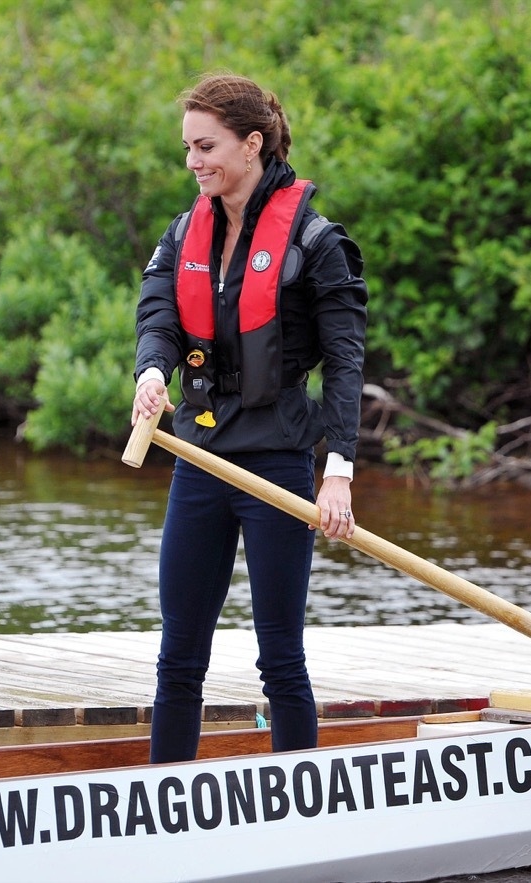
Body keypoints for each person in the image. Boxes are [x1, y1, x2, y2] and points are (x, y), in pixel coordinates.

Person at [132, 73, 368, 763]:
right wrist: (153, 371)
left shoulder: (318, 242)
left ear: (252, 142)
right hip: (202, 460)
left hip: (278, 462)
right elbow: (159, 317)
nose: (193, 162)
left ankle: (300, 809)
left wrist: (339, 472)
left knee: (280, 658)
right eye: (186, 148)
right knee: (178, 657)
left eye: (205, 146)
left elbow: (345, 363)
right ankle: (162, 802)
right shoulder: (184, 232)